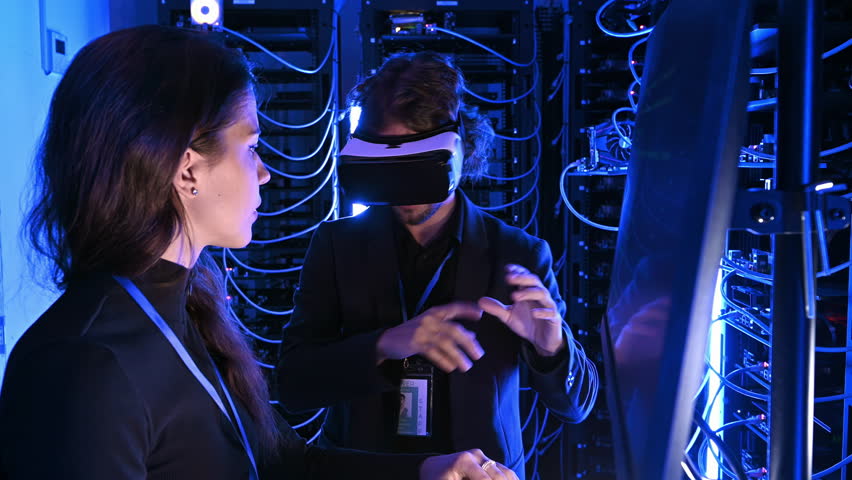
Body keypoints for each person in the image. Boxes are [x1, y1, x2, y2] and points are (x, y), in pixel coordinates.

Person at [0, 26, 518, 480]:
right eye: (251, 148)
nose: (266, 172)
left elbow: (278, 463)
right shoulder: (85, 367)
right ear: (187, 171)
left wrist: (427, 471)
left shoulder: (185, 311)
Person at [277, 52, 599, 478]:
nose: (405, 192)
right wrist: (384, 344)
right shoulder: (338, 245)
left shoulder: (518, 253)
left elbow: (576, 406)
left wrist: (552, 349)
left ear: (457, 155)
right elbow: (295, 385)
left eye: (418, 169)